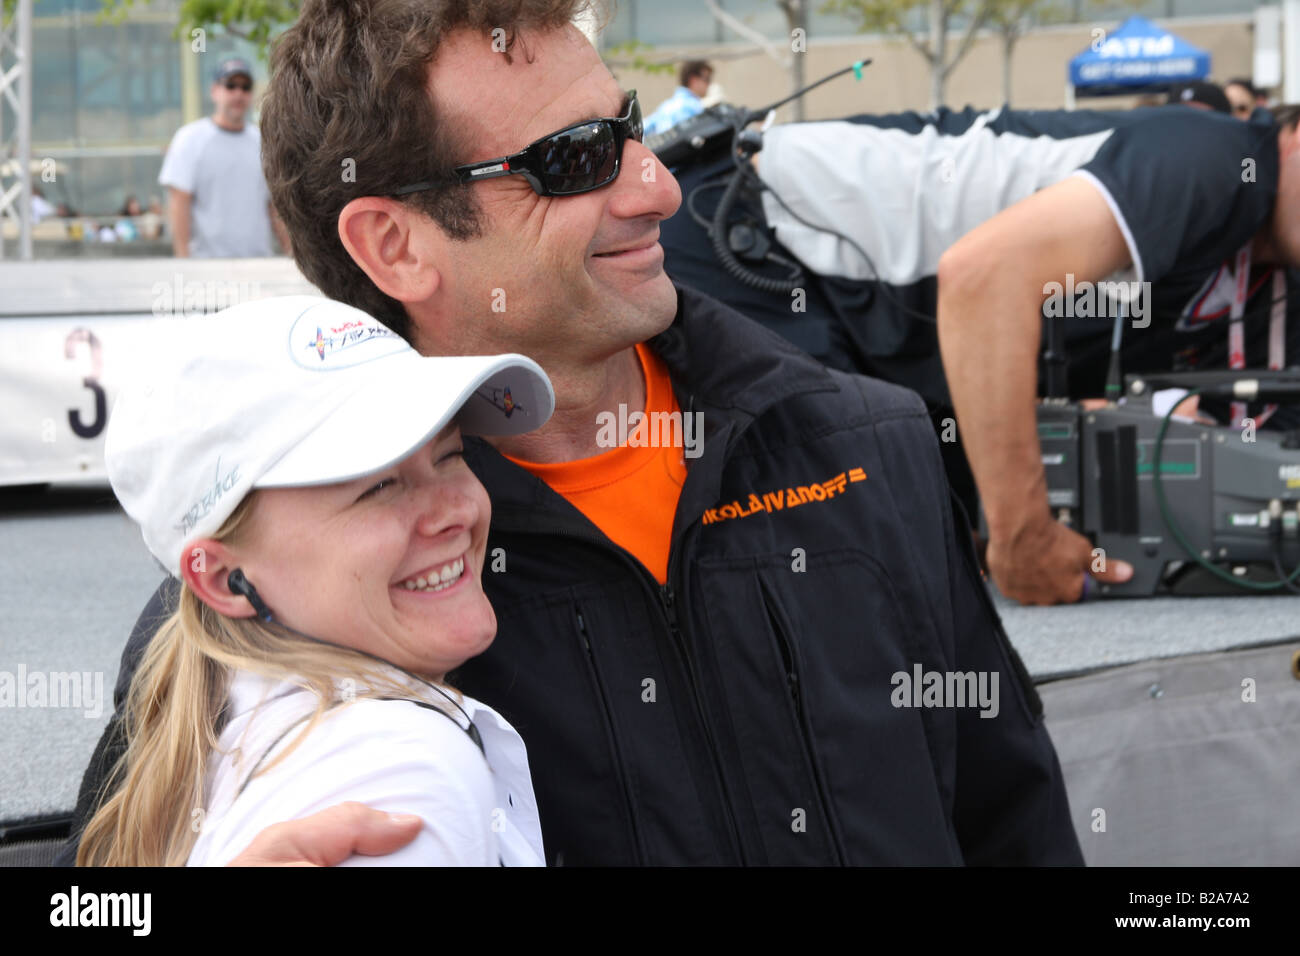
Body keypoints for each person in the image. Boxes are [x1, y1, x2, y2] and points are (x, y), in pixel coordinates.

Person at [61, 0, 1082, 867]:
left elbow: (1015, 827)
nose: (657, 188)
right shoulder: (273, 582)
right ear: (392, 243)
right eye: (574, 160)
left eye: (629, 129)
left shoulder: (862, 442)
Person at [77, 294, 554, 866]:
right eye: (376, 487)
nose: (454, 511)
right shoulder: (400, 771)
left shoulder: (219, 713)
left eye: (449, 454)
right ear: (225, 580)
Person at [158, 57, 291, 258]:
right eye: (230, 86)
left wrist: (292, 254)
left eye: (245, 87)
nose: (238, 93)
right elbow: (179, 203)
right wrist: (183, 260)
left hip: (259, 263)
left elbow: (274, 207)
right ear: (214, 91)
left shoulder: (264, 142)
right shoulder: (190, 139)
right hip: (206, 266)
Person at [644, 59, 713, 136]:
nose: (709, 84)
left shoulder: (666, 106)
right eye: (707, 79)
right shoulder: (694, 107)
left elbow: (642, 128)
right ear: (693, 80)